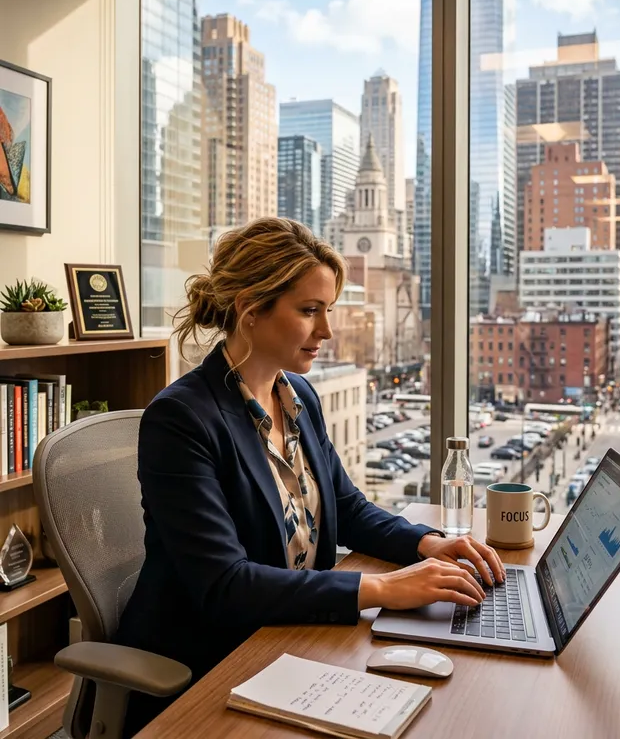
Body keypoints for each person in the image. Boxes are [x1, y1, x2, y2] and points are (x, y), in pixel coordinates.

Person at [114, 217, 503, 735]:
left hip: (292, 638)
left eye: (329, 311)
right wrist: (383, 588)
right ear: (251, 309)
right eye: (309, 311)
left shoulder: (297, 396)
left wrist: (428, 545)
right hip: (211, 662)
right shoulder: (182, 419)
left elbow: (347, 507)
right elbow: (225, 585)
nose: (326, 331)